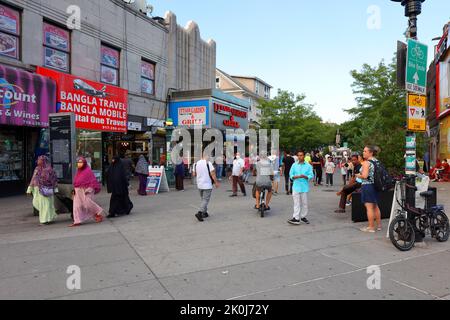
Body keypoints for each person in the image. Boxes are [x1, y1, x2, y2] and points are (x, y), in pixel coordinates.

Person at [356, 146, 382, 233]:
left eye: (365, 151)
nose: (363, 153)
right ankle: (379, 226)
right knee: (375, 206)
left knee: (369, 207)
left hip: (367, 186)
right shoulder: (377, 161)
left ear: (371, 153)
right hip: (376, 186)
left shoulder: (367, 163)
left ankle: (371, 227)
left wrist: (357, 175)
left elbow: (364, 176)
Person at [71, 157, 103, 227]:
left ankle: (97, 213)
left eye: (81, 162)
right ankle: (77, 221)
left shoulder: (88, 171)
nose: (79, 164)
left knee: (87, 205)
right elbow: (76, 182)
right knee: (77, 206)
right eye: (78, 163)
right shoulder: (78, 172)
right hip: (78, 192)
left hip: (86, 191)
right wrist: (74, 190)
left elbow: (92, 182)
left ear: (84, 163)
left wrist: (89, 189)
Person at [27, 156, 58, 226]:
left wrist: (55, 189)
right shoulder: (37, 169)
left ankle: (44, 220)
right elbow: (33, 178)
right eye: (38, 160)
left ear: (44, 161)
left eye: (40, 160)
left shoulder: (49, 169)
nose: (38, 161)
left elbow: (54, 179)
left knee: (45, 205)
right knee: (37, 203)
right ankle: (49, 217)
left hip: (47, 189)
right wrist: (30, 188)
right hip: (38, 189)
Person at [288, 151, 315, 225]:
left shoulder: (308, 166)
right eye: (299, 155)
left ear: (304, 156)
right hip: (296, 186)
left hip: (304, 187)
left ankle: (303, 217)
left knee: (304, 203)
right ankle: (296, 218)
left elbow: (311, 175)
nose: (300, 157)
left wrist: (306, 176)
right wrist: (294, 177)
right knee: (296, 203)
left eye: (301, 155)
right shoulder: (294, 165)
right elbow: (291, 174)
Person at [193, 153, 220, 222]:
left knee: (203, 199)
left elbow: (194, 174)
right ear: (205, 156)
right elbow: (213, 174)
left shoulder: (195, 164)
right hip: (207, 185)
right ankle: (200, 213)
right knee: (205, 200)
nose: (209, 157)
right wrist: (216, 182)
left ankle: (205, 213)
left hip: (199, 184)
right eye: (208, 155)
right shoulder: (208, 163)